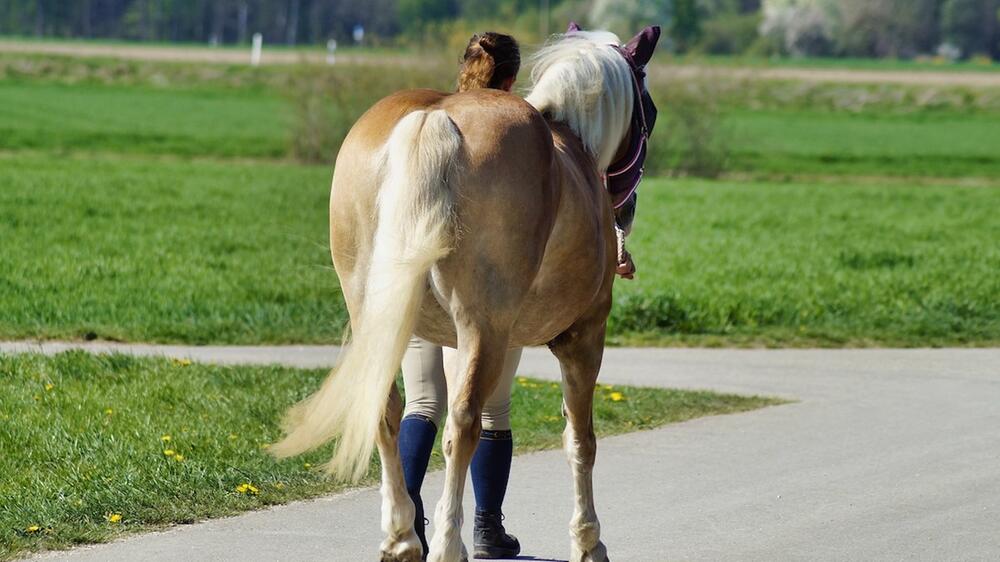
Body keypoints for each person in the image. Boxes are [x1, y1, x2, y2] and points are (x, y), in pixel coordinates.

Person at [398, 32, 524, 561]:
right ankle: (486, 528)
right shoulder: (513, 130)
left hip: (415, 273)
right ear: (512, 81)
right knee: (490, 409)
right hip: (482, 285)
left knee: (422, 400)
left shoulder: (429, 120)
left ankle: (410, 523)